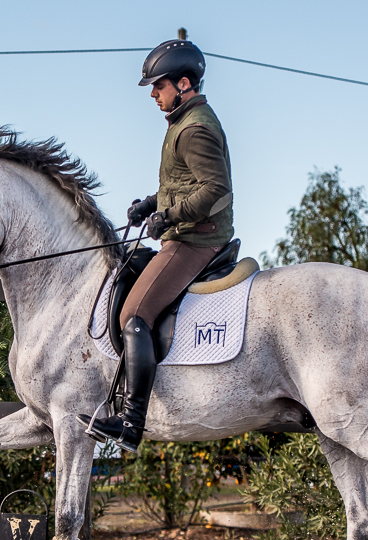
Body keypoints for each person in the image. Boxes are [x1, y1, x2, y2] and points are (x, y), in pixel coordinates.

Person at [78, 38, 235, 452]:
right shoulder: (182, 122)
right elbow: (181, 183)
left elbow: (216, 191)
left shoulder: (195, 127)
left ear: (183, 83)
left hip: (195, 241)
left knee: (134, 313)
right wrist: (150, 204)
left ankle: (131, 423)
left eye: (158, 85)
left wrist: (169, 217)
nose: (152, 93)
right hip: (183, 233)